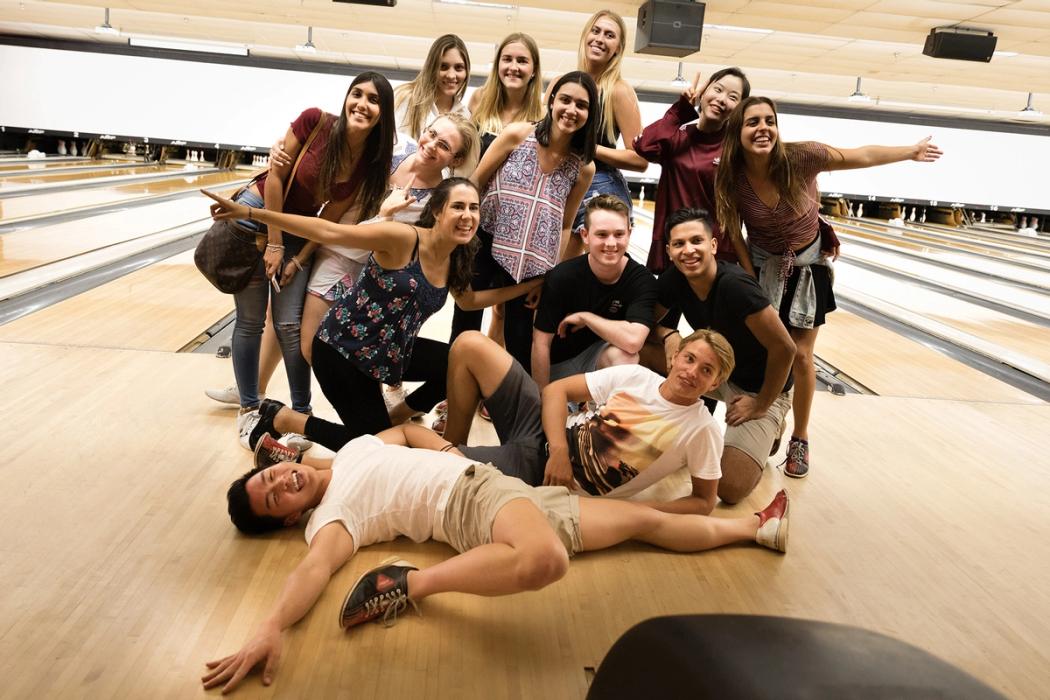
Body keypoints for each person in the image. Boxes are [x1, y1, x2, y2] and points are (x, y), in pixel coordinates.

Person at [201, 425, 789, 693]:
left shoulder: (353, 449)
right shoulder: (332, 519)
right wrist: (271, 626)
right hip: (471, 502)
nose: (283, 482)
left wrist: (447, 447)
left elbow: (406, 430)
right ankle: (409, 583)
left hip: (500, 487)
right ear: (286, 518)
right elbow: (313, 571)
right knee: (547, 561)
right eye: (275, 498)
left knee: (646, 521)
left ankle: (755, 528)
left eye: (272, 476)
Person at [203, 178, 541, 452]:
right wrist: (248, 213)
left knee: (461, 363)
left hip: (392, 353)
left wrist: (525, 289)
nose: (467, 215)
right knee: (379, 450)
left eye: (473, 208)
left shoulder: (455, 256)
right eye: (457, 207)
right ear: (437, 211)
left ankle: (402, 418)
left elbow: (468, 301)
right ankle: (284, 418)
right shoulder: (401, 239)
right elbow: (328, 232)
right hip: (342, 355)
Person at [714, 96, 943, 477]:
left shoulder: (803, 157)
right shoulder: (731, 174)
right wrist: (750, 274)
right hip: (763, 266)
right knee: (764, 349)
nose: (763, 128)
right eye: (752, 122)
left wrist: (911, 152)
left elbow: (862, 155)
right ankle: (774, 414)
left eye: (769, 120)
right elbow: (732, 228)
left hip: (808, 267)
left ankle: (799, 439)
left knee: (802, 356)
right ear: (738, 133)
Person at [229, 72, 395, 448]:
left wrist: (298, 258)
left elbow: (328, 219)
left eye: (374, 100)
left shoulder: (368, 163)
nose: (362, 104)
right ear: (347, 97)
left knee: (288, 325)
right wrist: (274, 244)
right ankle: (248, 409)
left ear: (383, 115)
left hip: (298, 232)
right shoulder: (315, 121)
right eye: (357, 94)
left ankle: (300, 415)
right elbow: (274, 178)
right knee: (251, 320)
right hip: (260, 212)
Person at [443, 328, 732, 514]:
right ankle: (453, 442)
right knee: (470, 344)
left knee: (437, 463)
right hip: (548, 434)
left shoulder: (702, 429)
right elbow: (557, 390)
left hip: (546, 476)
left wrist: (641, 512)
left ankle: (446, 455)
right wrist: (558, 450)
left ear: (715, 383)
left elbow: (704, 501)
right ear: (675, 357)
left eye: (706, 370)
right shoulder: (638, 376)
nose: (692, 372)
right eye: (689, 359)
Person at [646, 208, 795, 503]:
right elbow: (645, 321)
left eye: (696, 241)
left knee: (728, 489)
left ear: (713, 245)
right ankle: (662, 423)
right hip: (712, 375)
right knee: (633, 349)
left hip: (758, 389)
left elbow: (786, 348)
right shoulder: (675, 278)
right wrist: (667, 334)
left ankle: (773, 422)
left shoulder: (735, 287)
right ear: (669, 251)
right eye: (679, 244)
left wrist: (761, 403)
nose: (688, 250)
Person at [456, 71, 598, 372]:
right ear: (552, 101)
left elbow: (565, 224)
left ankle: (504, 400)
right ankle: (453, 398)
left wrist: (549, 279)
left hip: (531, 263)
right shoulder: (517, 134)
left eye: (582, 105)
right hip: (484, 241)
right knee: (464, 330)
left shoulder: (583, 167)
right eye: (566, 100)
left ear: (590, 114)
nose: (571, 110)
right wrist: (457, 239)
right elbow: (475, 183)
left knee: (519, 342)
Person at [531, 194, 657, 389]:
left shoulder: (641, 280)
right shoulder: (562, 277)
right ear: (585, 235)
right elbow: (541, 343)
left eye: (618, 234)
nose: (611, 243)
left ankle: (603, 416)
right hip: (558, 367)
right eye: (602, 234)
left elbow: (633, 341)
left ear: (629, 233)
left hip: (595, 361)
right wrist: (540, 398)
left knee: (626, 357)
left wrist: (586, 318)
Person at [633, 67, 750, 272]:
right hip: (676, 249)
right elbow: (644, 146)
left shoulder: (736, 150)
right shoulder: (677, 138)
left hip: (718, 254)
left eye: (732, 97)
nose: (722, 99)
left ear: (739, 108)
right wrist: (681, 109)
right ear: (704, 92)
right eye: (718, 89)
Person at [548, 10, 645, 241]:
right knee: (558, 271)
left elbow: (640, 159)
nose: (600, 39)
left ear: (618, 48)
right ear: (585, 36)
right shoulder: (559, 83)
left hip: (600, 184)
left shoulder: (619, 91)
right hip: (560, 179)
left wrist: (589, 147)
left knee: (583, 270)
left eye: (609, 35)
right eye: (596, 31)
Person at [468, 32, 544, 158]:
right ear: (498, 64)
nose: (513, 67)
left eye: (522, 61)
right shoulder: (480, 98)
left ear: (534, 70)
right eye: (507, 59)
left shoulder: (542, 116)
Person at [394, 35, 471, 141]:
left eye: (458, 68)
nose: (451, 75)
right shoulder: (407, 97)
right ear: (432, 68)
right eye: (443, 67)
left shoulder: (464, 115)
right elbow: (394, 146)